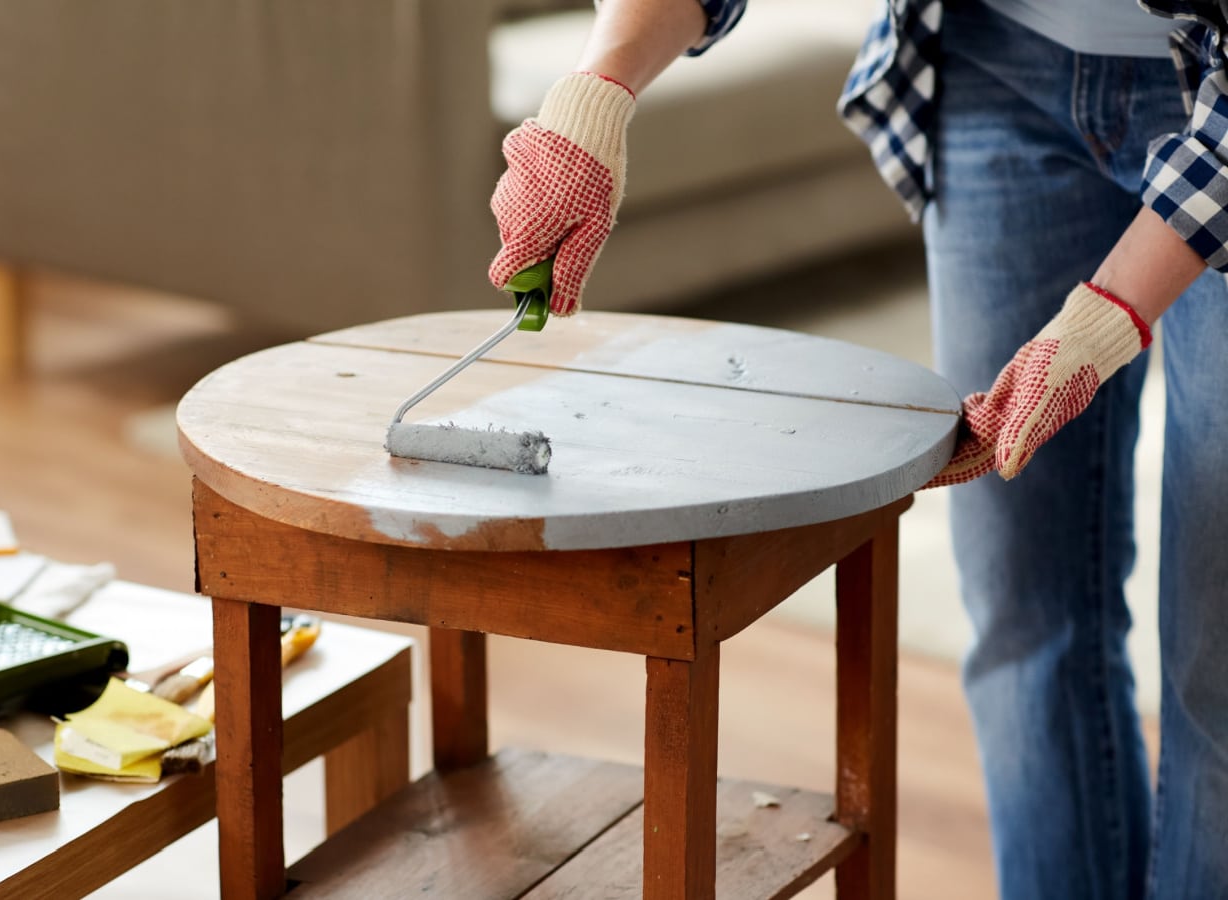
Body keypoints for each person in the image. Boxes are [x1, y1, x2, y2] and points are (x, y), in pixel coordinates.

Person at [488, 0, 1228, 897]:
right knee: (1023, 601)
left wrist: (1114, 309)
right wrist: (597, 90)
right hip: (993, 57)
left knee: (1213, 658)